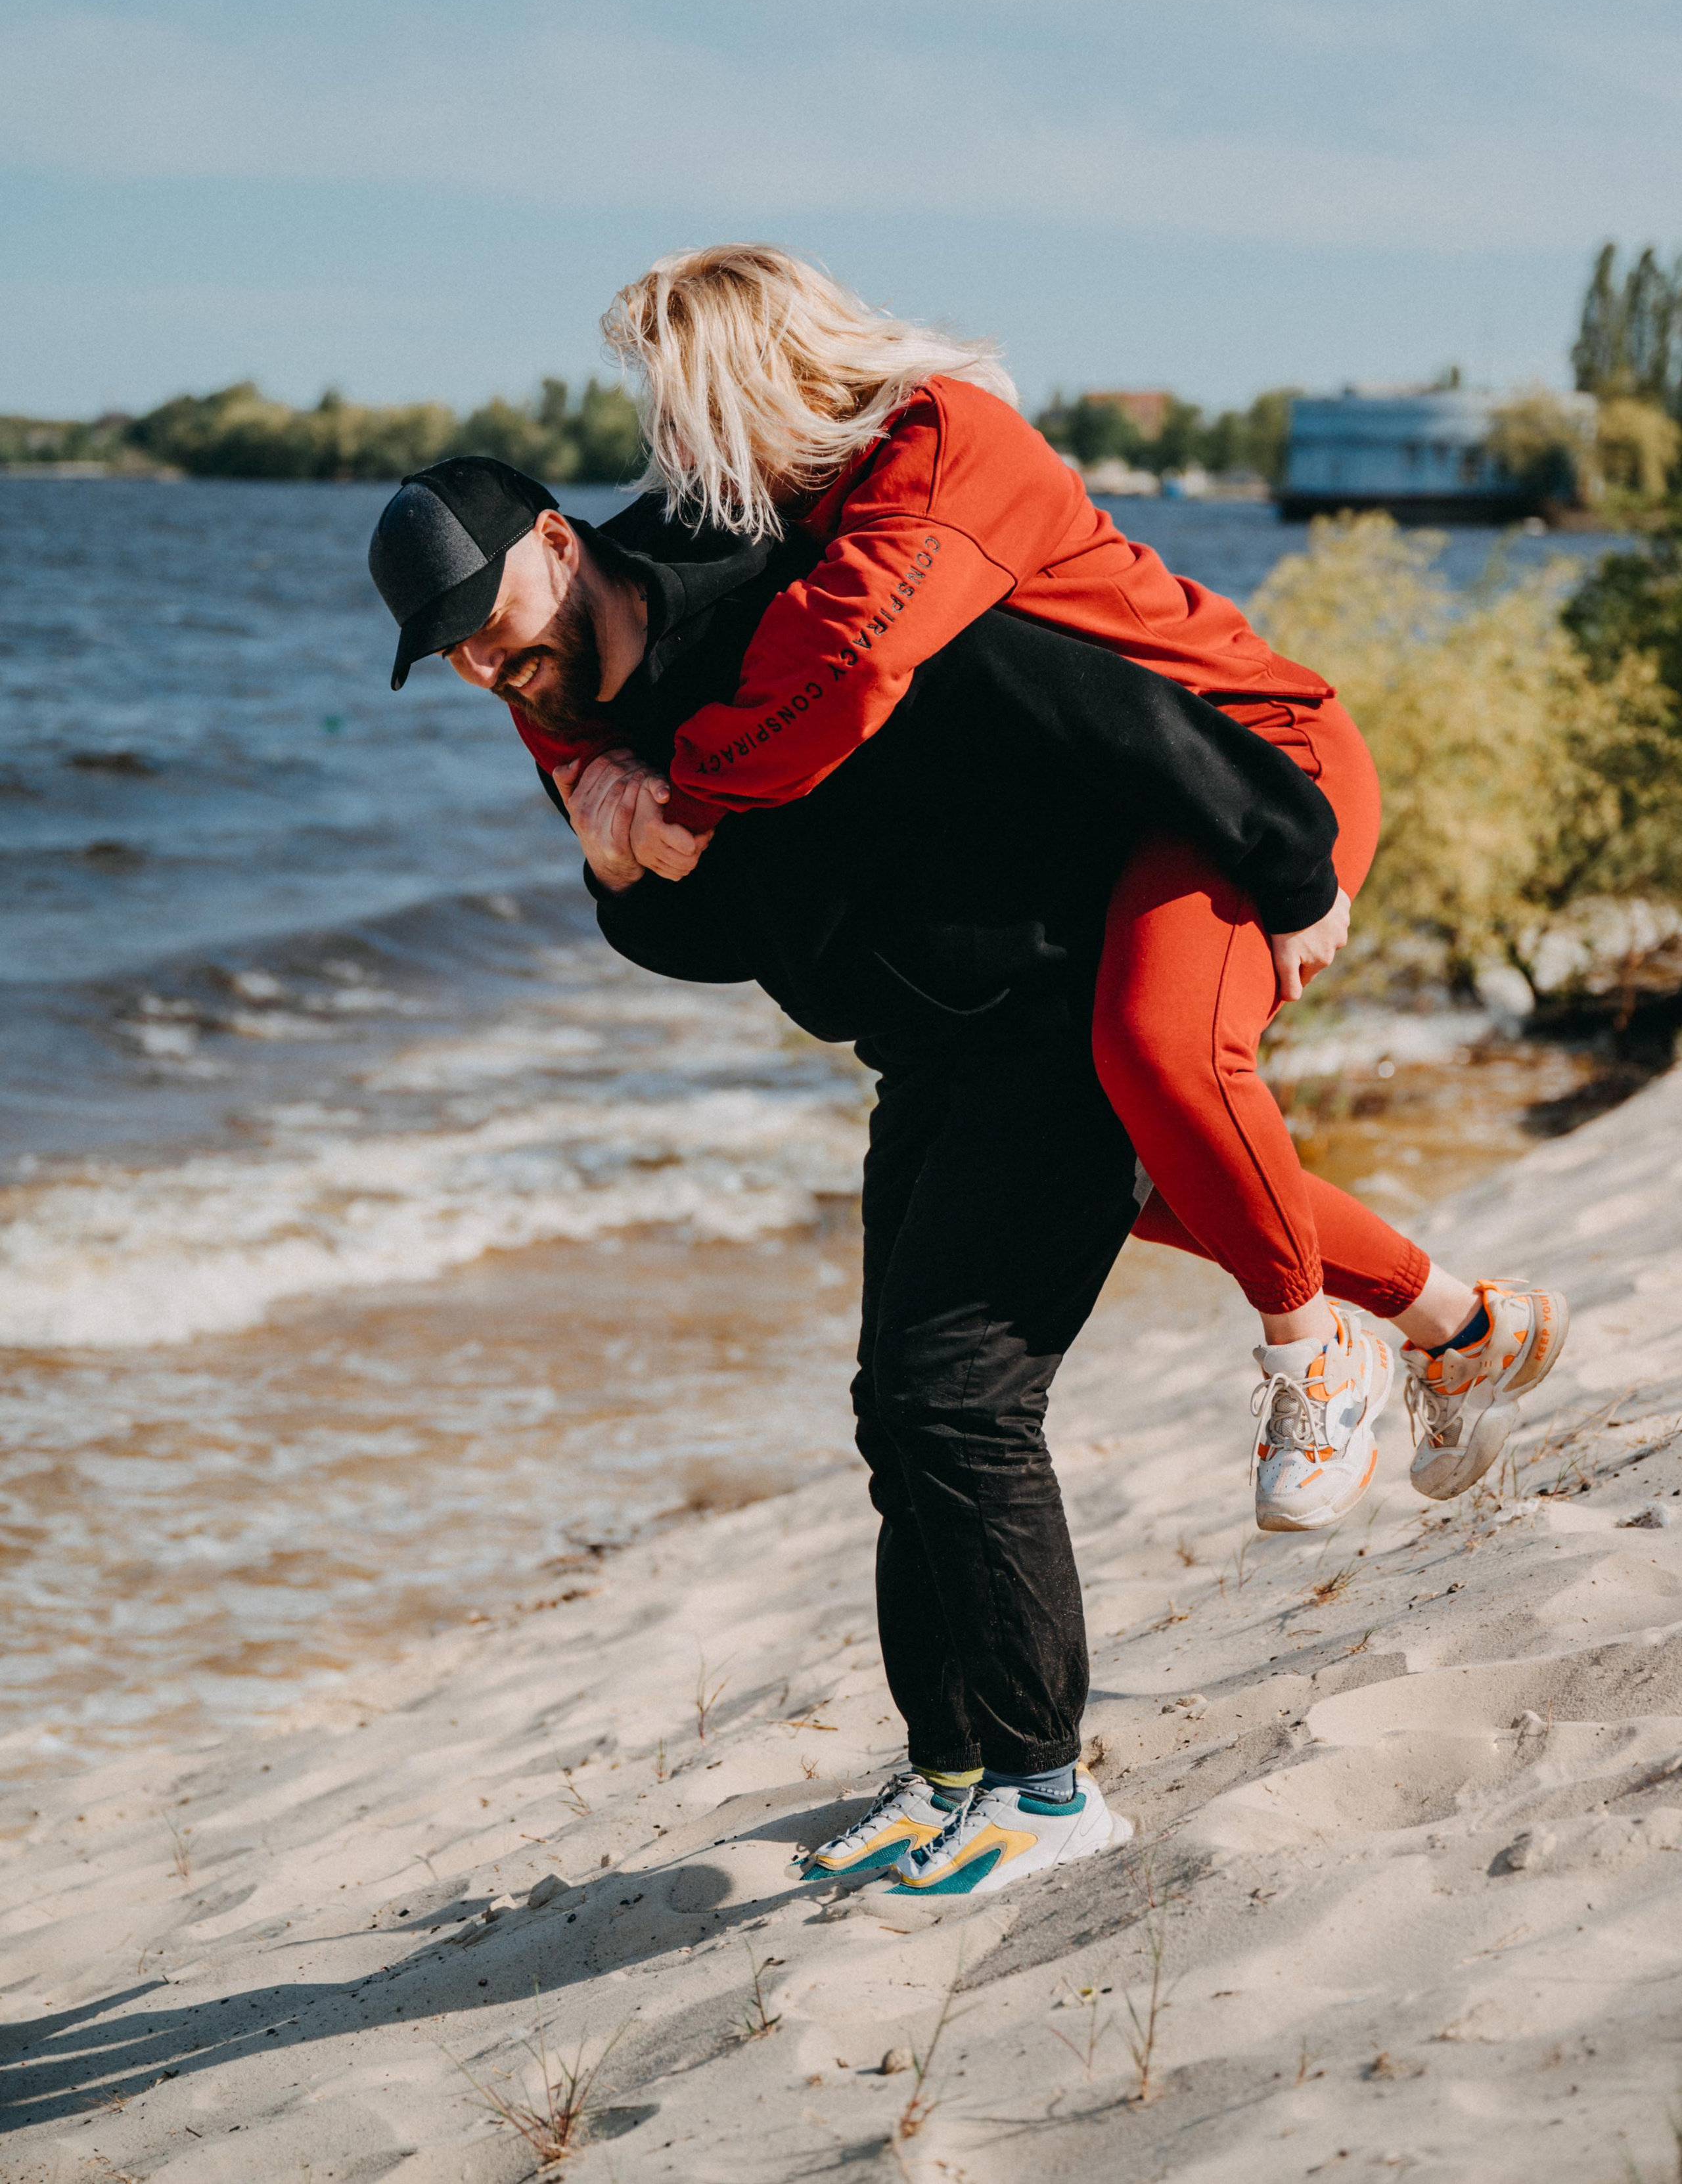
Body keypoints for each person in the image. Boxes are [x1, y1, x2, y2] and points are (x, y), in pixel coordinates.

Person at [369, 460, 1546, 1900]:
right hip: (923, 1054)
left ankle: (1044, 1790)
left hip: (1049, 1020)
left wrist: (1285, 857)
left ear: (556, 543)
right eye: (458, 657)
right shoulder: (570, 717)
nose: (489, 666)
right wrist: (627, 876)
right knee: (892, 1411)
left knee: (959, 1397)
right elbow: (717, 930)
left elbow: (1086, 706)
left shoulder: (785, 594)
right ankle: (946, 1772)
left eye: (489, 622)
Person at [567, 244, 1567, 1527]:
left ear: (760, 383)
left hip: (1251, 771)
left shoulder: (939, 448)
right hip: (1139, 813)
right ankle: (1464, 1327)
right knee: (1128, 1169)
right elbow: (609, 590)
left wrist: (682, 795)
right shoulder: (806, 502)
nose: (678, 458)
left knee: (1159, 1054)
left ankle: (1310, 1353)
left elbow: (845, 663)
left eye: (685, 419)